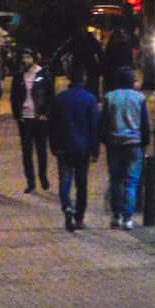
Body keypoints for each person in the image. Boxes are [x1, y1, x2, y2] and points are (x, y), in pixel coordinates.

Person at [51, 68, 102, 234]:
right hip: (83, 148)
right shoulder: (89, 99)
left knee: (65, 181)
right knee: (81, 183)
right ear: (84, 79)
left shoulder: (60, 99)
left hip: (64, 147)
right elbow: (94, 127)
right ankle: (79, 217)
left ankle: (67, 207)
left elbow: (53, 125)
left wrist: (54, 145)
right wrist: (95, 149)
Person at [102, 65, 148, 229]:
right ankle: (128, 217)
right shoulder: (140, 98)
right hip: (134, 143)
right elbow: (145, 123)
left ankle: (116, 216)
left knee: (116, 180)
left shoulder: (109, 97)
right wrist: (144, 142)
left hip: (114, 143)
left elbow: (104, 122)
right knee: (132, 181)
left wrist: (105, 140)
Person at [11, 52, 51, 193]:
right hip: (25, 118)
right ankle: (30, 182)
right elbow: (14, 96)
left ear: (34, 59)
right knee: (26, 152)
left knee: (41, 151)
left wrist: (45, 113)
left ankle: (43, 177)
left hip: (39, 118)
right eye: (23, 57)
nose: (25, 60)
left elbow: (50, 95)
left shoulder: (43, 74)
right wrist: (17, 115)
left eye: (28, 57)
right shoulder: (19, 76)